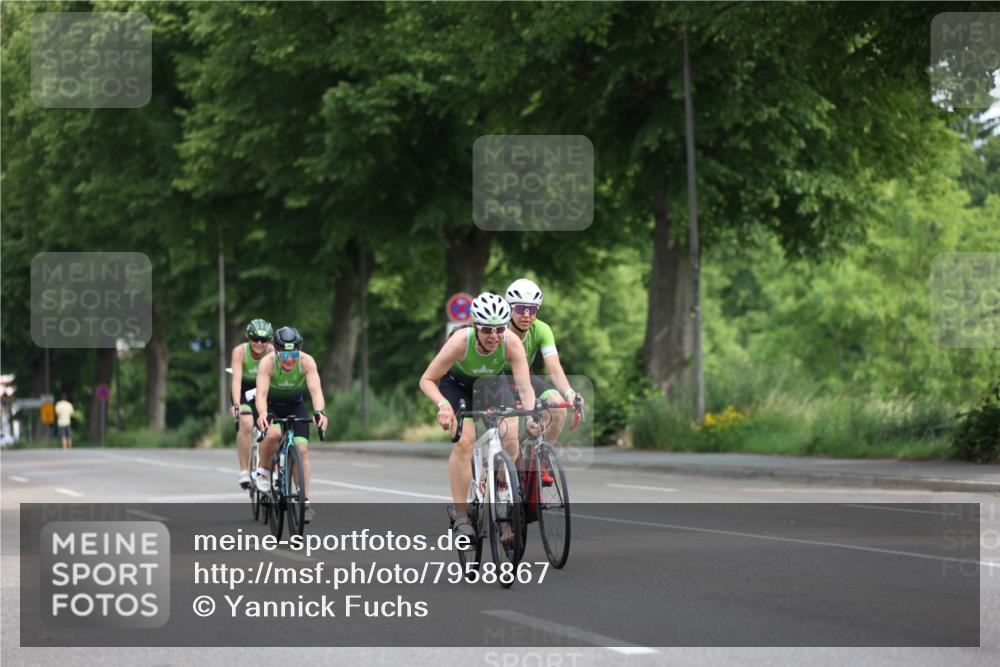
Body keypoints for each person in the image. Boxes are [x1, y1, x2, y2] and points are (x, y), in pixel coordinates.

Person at [419, 292, 537, 540]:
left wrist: (532, 414)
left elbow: (524, 387)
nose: (494, 337)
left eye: (499, 329)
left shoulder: (511, 343)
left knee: (511, 435)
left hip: (491, 386)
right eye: (486, 330)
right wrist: (442, 405)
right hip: (458, 388)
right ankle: (461, 515)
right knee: (465, 441)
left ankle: (502, 493)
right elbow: (427, 379)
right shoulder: (460, 342)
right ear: (474, 325)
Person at [254, 326, 329, 523]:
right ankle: (264, 471)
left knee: (302, 450)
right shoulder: (267, 363)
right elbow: (261, 394)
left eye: (294, 353)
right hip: (271, 406)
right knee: (272, 435)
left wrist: (319, 412)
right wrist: (262, 414)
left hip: (296, 407)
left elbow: (316, 391)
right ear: (276, 351)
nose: (289, 359)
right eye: (285, 354)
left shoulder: (306, 362)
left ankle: (304, 502)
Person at [504, 278, 581, 446]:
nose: (526, 315)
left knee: (558, 410)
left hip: (525, 379)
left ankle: (540, 457)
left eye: (532, 309)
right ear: (509, 309)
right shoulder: (499, 330)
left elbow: (554, 367)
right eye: (520, 308)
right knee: (510, 435)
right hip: (498, 380)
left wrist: (569, 393)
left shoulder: (542, 329)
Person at [230, 319, 275, 489]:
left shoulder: (272, 351)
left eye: (263, 340)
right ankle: (243, 470)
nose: (259, 343)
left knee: (271, 427)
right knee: (247, 423)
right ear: (249, 338)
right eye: (255, 339)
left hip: (264, 390)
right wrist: (236, 405)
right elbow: (236, 381)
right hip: (244, 390)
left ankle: (266, 465)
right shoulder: (240, 352)